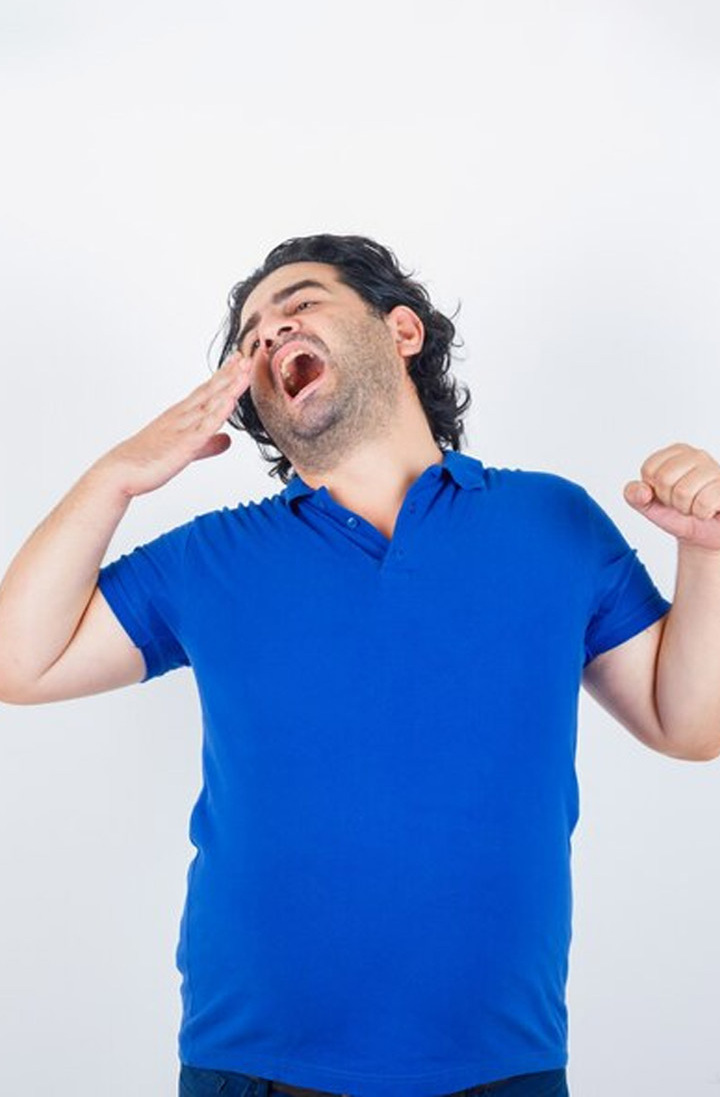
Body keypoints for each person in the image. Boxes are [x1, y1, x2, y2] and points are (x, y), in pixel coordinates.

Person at [0, 233, 677, 1097]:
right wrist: (117, 477)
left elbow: (687, 721)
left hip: (502, 1064)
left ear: (402, 330)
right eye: (251, 340)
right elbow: (20, 662)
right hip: (255, 1066)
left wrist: (709, 549)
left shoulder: (554, 521)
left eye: (300, 306)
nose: (271, 336)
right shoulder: (211, 557)